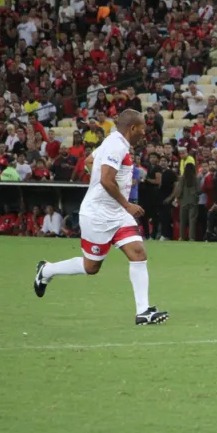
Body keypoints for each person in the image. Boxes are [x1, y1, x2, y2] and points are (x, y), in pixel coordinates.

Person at [33, 109, 169, 326]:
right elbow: (106, 180)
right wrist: (127, 204)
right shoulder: (115, 145)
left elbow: (89, 161)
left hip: (117, 213)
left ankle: (143, 311)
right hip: (98, 215)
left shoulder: (114, 142)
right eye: (142, 127)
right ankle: (46, 270)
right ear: (132, 128)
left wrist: (104, 190)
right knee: (91, 267)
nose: (145, 131)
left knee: (138, 252)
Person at [168, 162, 199, 241]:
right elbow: (199, 190)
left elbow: (180, 190)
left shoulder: (182, 178)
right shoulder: (196, 178)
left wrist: (178, 198)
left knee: (182, 220)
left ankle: (182, 237)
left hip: (183, 202)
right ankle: (191, 237)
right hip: (193, 201)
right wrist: (194, 194)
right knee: (192, 220)